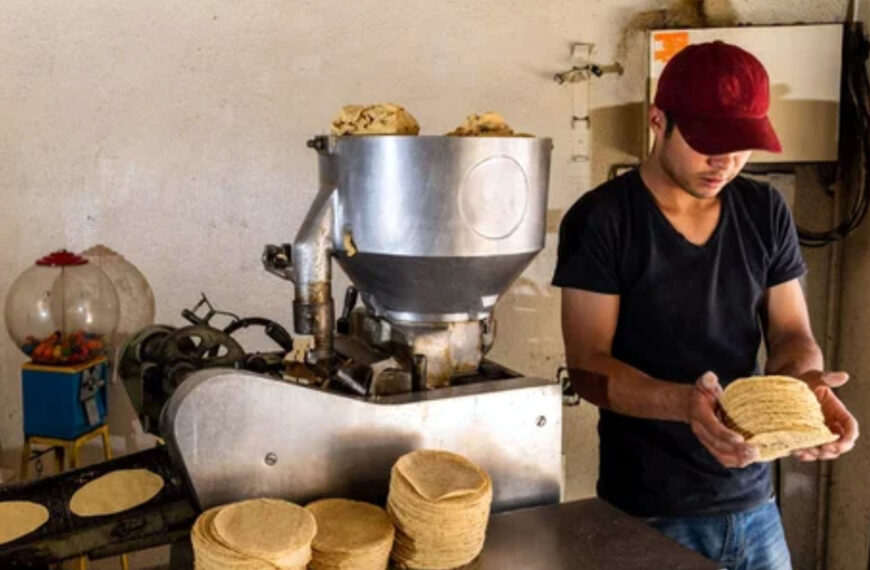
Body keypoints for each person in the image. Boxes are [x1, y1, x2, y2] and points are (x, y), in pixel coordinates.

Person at [553, 40, 859, 570]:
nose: (725, 161)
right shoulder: (603, 219)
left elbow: (791, 335)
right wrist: (685, 407)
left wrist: (804, 390)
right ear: (658, 120)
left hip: (756, 505)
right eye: (707, 142)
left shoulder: (764, 210)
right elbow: (586, 368)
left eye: (741, 145)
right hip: (647, 512)